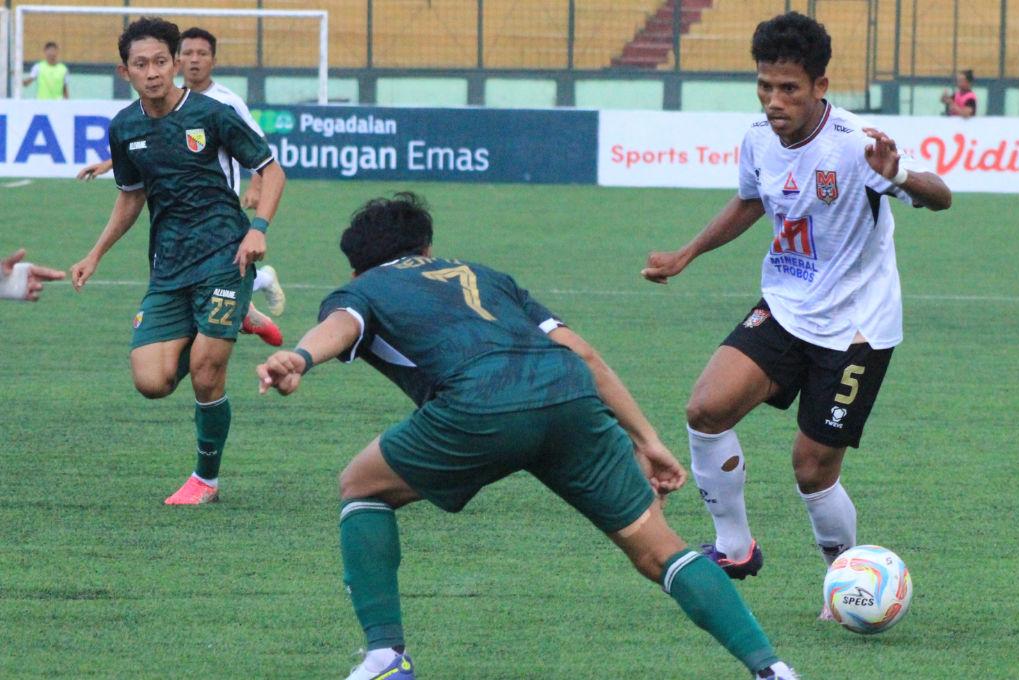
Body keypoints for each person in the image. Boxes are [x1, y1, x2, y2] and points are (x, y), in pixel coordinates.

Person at [255, 193, 800, 680]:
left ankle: (386, 658)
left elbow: (344, 322)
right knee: (660, 550)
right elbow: (582, 352)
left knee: (362, 487)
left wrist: (300, 357)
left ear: (358, 265)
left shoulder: (365, 287)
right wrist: (647, 440)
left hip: (481, 406)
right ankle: (771, 669)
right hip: (568, 398)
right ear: (426, 246)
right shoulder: (487, 276)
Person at [641, 12, 951, 620]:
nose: (775, 100)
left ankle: (849, 583)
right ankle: (734, 547)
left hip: (857, 330)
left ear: (820, 87)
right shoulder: (758, 137)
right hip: (786, 306)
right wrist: (688, 253)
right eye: (765, 85)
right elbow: (751, 201)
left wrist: (900, 174)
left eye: (789, 88)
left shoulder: (857, 145)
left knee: (811, 470)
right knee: (706, 409)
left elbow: (940, 195)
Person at [68, 17, 287, 505]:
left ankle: (205, 479)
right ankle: (231, 321)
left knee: (208, 371)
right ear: (125, 72)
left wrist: (258, 229)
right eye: (141, 64)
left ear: (174, 64)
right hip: (169, 264)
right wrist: (95, 253)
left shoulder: (212, 113)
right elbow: (130, 196)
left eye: (161, 62)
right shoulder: (124, 127)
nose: (153, 73)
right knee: (152, 381)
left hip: (224, 255)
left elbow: (271, 172)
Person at [78, 26, 287, 339]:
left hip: (221, 229)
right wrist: (112, 162)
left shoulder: (223, 104)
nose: (194, 60)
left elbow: (262, 154)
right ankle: (241, 310)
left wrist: (256, 193)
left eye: (201, 54)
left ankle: (234, 312)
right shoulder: (133, 119)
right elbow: (152, 152)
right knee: (155, 372)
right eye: (188, 53)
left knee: (209, 347)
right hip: (173, 239)